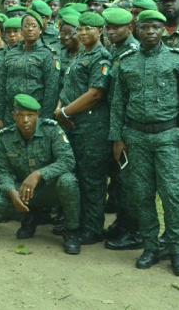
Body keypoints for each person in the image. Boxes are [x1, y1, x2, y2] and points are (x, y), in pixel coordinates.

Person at [109, 9, 179, 277]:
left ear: (163, 30)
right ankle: (150, 247)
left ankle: (176, 251)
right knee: (142, 194)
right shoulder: (126, 62)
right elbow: (117, 104)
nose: (150, 32)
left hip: (168, 137)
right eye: (145, 27)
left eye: (156, 28)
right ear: (137, 29)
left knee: (172, 194)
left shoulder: (177, 60)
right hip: (135, 137)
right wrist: (117, 138)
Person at [0, 94, 81, 253]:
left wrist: (39, 174)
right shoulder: (5, 137)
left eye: (30, 115)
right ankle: (29, 218)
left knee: (68, 181)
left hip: (50, 188)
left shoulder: (51, 130)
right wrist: (11, 192)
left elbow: (68, 161)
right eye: (20, 115)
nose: (25, 120)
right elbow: (2, 171)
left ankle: (71, 231)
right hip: (24, 190)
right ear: (13, 116)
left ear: (38, 115)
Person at [55, 12, 111, 246]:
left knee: (92, 180)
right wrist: (60, 109)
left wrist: (65, 112)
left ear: (100, 31)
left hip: (91, 128)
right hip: (73, 126)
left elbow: (96, 93)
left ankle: (93, 228)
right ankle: (76, 222)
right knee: (76, 175)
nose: (84, 32)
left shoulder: (101, 57)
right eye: (81, 28)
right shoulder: (80, 55)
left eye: (90, 28)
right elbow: (67, 87)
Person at [101, 7, 142, 252]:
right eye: (108, 27)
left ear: (130, 28)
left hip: (129, 126)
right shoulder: (115, 50)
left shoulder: (134, 52)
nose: (111, 31)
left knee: (131, 180)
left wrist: (122, 132)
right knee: (119, 179)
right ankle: (122, 223)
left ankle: (134, 231)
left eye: (116, 27)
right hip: (114, 123)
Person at [0, 11, 60, 128]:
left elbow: (52, 90)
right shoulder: (11, 53)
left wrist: (45, 119)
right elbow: (1, 85)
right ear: (21, 30)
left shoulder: (48, 54)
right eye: (26, 26)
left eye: (34, 26)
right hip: (11, 114)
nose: (30, 29)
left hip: (35, 114)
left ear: (40, 30)